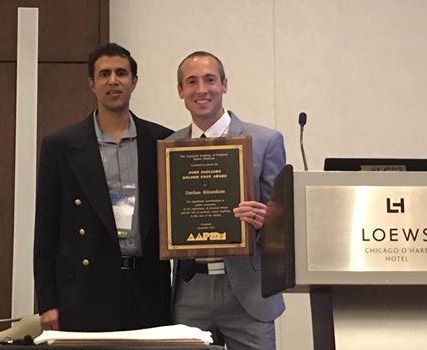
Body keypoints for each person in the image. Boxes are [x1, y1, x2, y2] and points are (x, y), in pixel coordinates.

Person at [34, 43, 172, 332]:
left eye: (121, 73)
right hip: (85, 291)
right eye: (104, 74)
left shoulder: (163, 142)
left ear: (134, 82)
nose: (113, 80)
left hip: (147, 287)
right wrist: (46, 303)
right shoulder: (60, 146)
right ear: (91, 84)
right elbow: (46, 231)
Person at [170, 51, 286, 350]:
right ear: (180, 90)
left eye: (210, 80)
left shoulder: (265, 141)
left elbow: (285, 225)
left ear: (224, 84)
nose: (201, 89)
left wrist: (264, 224)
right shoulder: (169, 148)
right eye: (191, 82)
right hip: (190, 292)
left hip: (248, 292)